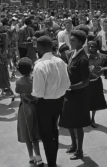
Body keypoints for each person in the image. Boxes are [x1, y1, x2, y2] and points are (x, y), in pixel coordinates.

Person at [32, 36, 70, 167]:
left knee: (46, 134)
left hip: (44, 104)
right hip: (59, 102)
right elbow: (67, 84)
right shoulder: (61, 61)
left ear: (41, 48)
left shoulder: (39, 66)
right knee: (54, 131)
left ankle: (51, 163)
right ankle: (53, 160)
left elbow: (38, 93)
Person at [59, 30, 91, 160]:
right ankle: (73, 144)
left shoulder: (83, 59)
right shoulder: (73, 54)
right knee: (70, 122)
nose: (70, 43)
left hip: (78, 96)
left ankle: (79, 150)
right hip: (70, 94)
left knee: (78, 125)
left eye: (73, 41)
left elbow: (85, 82)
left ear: (81, 43)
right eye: (70, 40)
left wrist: (70, 87)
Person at [15, 57, 44, 166]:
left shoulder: (18, 82)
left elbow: (17, 91)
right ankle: (39, 157)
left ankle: (31, 157)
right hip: (35, 108)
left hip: (24, 108)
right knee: (34, 134)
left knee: (27, 134)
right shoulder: (34, 79)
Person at [87, 40, 107, 128]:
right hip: (85, 82)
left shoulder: (102, 57)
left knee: (95, 101)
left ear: (97, 48)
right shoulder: (84, 56)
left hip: (96, 81)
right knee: (85, 100)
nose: (91, 48)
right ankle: (86, 118)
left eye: (93, 46)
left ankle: (93, 119)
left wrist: (100, 71)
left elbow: (103, 70)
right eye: (89, 47)